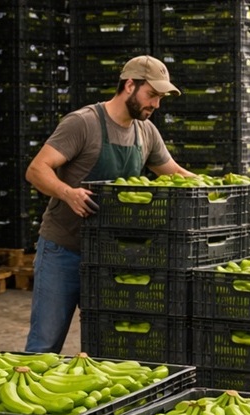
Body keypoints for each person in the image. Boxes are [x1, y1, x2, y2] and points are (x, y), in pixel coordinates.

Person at [23, 55, 195, 354]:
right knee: (45, 343)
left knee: (110, 344)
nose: (156, 105)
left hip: (112, 259)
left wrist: (221, 186)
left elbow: (177, 174)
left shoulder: (146, 132)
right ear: (129, 85)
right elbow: (37, 170)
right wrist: (68, 193)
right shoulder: (83, 123)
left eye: (160, 98)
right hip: (65, 250)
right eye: (152, 95)